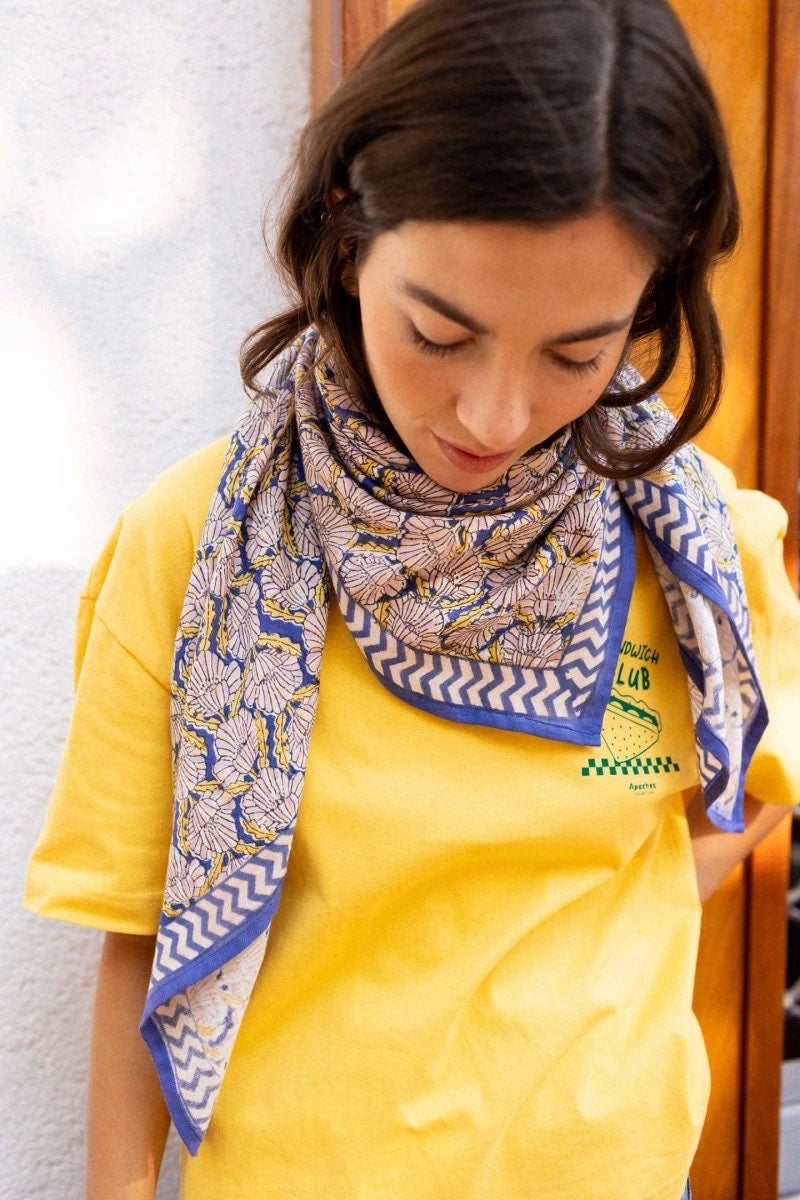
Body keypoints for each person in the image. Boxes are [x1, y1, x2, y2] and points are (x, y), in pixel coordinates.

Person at [24, 0, 800, 1197]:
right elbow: (143, 930)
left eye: (575, 354)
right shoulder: (192, 549)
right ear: (346, 234)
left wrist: (581, 935)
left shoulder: (701, 551)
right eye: (440, 333)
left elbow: (740, 795)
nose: (494, 415)